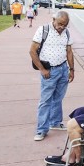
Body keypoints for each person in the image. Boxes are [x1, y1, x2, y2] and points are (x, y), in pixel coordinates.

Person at [29, 10, 74, 141]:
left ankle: (55, 122)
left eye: (65, 24)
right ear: (54, 19)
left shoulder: (66, 32)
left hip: (63, 69)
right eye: (60, 24)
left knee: (58, 98)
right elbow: (32, 51)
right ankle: (41, 130)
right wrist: (42, 69)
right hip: (49, 70)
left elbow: (69, 52)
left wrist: (71, 70)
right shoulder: (43, 30)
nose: (62, 27)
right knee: (45, 100)